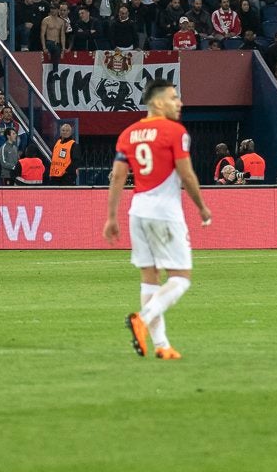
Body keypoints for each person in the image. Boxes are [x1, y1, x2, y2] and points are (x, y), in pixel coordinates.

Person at [103, 80, 212, 360]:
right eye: (174, 98)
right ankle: (143, 317)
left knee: (149, 279)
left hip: (137, 211)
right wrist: (201, 206)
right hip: (165, 213)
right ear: (158, 103)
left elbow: (117, 176)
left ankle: (162, 345)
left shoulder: (129, 133)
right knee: (182, 277)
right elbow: (186, 175)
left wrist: (112, 216)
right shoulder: (175, 132)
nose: (180, 103)